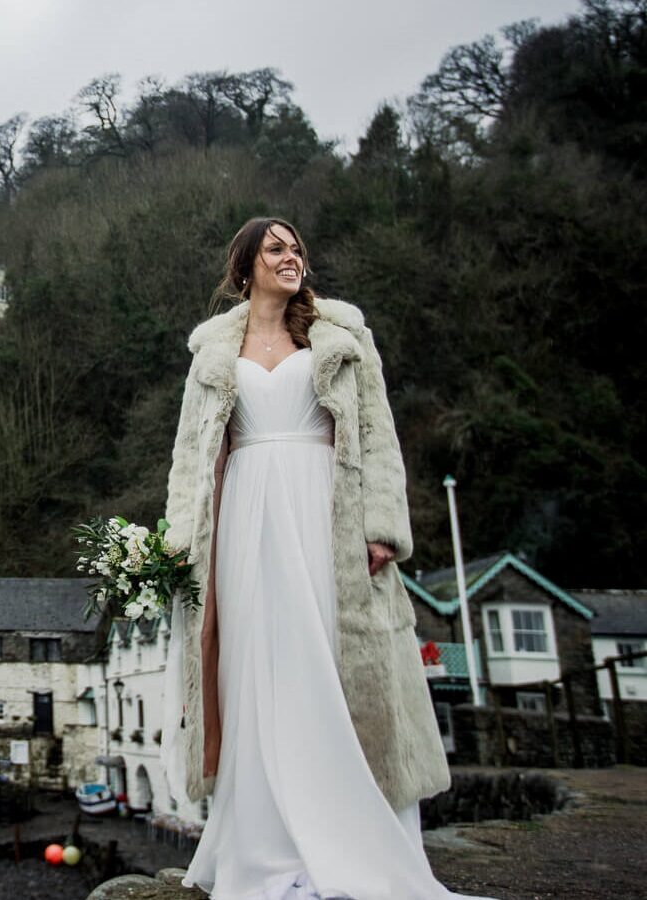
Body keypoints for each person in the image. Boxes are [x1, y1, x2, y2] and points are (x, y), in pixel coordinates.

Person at [160, 218, 492, 899]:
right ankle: (265, 846)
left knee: (337, 664)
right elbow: (191, 457)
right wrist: (177, 545)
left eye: (298, 249)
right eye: (277, 249)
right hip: (243, 519)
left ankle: (356, 840)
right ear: (246, 265)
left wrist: (381, 526)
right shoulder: (212, 353)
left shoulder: (342, 338)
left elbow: (376, 433)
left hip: (326, 513)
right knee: (255, 665)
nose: (293, 258)